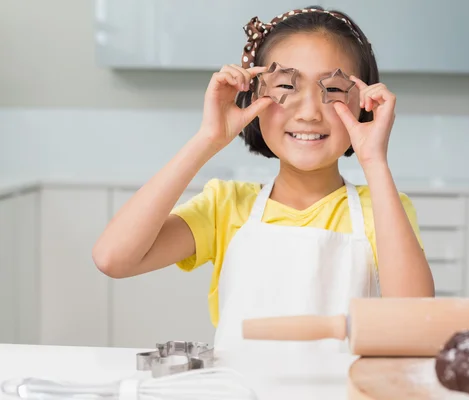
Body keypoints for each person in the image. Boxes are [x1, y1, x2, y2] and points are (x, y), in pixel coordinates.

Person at [93, 6, 435, 352]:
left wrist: (374, 159)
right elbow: (113, 258)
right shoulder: (226, 207)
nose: (309, 112)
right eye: (287, 85)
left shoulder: (384, 209)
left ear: (363, 103)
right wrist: (207, 139)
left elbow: (413, 318)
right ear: (255, 95)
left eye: (332, 89)